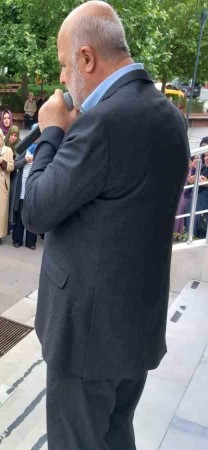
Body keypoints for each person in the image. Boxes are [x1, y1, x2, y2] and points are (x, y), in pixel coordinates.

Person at [21, 2, 189, 448]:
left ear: (87, 58)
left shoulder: (102, 125)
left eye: (63, 65)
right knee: (116, 437)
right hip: (134, 333)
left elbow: (36, 209)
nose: (61, 79)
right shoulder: (170, 118)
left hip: (84, 341)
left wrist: (52, 133)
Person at [10, 143, 38, 249]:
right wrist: (25, 160)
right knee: (19, 216)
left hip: (33, 189)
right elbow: (15, 164)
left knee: (32, 216)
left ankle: (31, 242)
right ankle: (17, 240)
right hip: (21, 189)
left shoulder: (41, 151)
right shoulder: (25, 150)